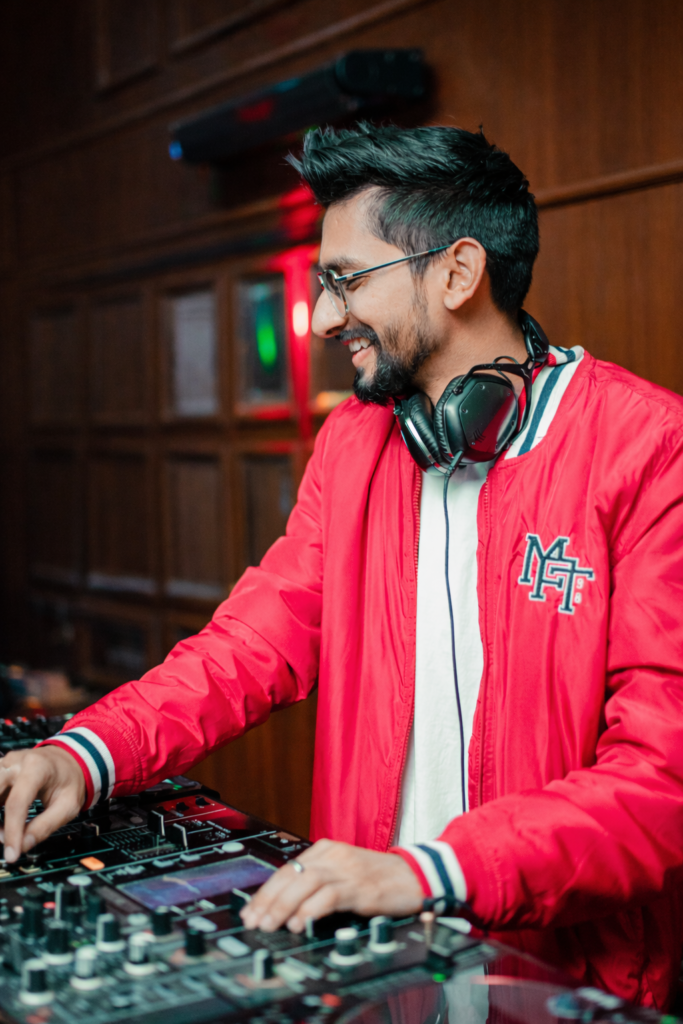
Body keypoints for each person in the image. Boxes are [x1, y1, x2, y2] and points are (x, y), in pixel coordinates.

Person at [2, 124, 683, 1009]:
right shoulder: (358, 441)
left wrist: (429, 872)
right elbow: (250, 644)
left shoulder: (648, 450)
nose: (322, 317)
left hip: (556, 977)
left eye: (343, 280)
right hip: (377, 966)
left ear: (455, 271)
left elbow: (658, 781)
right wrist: (87, 754)